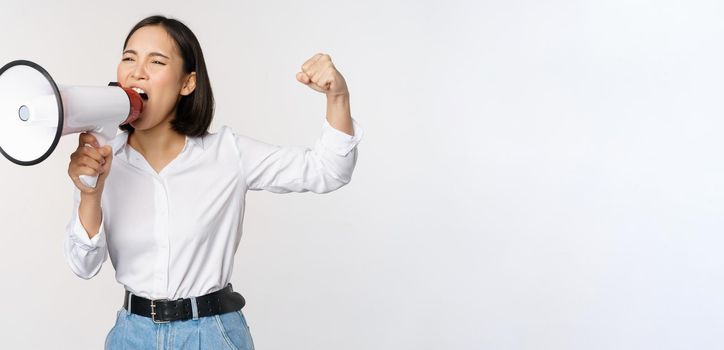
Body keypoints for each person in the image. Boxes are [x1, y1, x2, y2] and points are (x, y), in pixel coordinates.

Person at [63, 15, 362, 350]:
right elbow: (84, 266)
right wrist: (90, 193)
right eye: (129, 58)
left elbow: (330, 169)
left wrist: (338, 96)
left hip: (210, 335)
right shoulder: (104, 160)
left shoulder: (227, 153)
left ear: (187, 83)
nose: (137, 71)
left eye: (156, 61)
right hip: (132, 336)